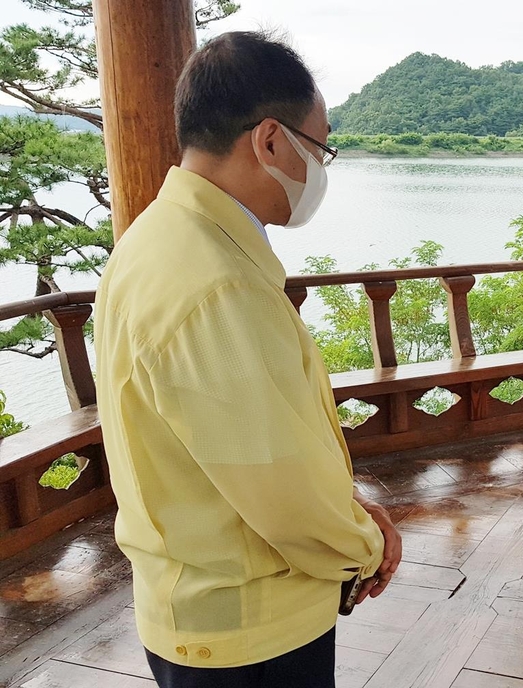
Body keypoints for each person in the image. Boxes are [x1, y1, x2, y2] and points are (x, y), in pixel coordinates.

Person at [93, 31, 402, 688]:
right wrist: (366, 544)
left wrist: (344, 507)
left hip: (192, 603)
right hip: (250, 632)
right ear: (269, 141)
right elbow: (280, 488)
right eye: (320, 148)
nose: (322, 168)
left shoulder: (157, 237)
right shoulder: (218, 283)